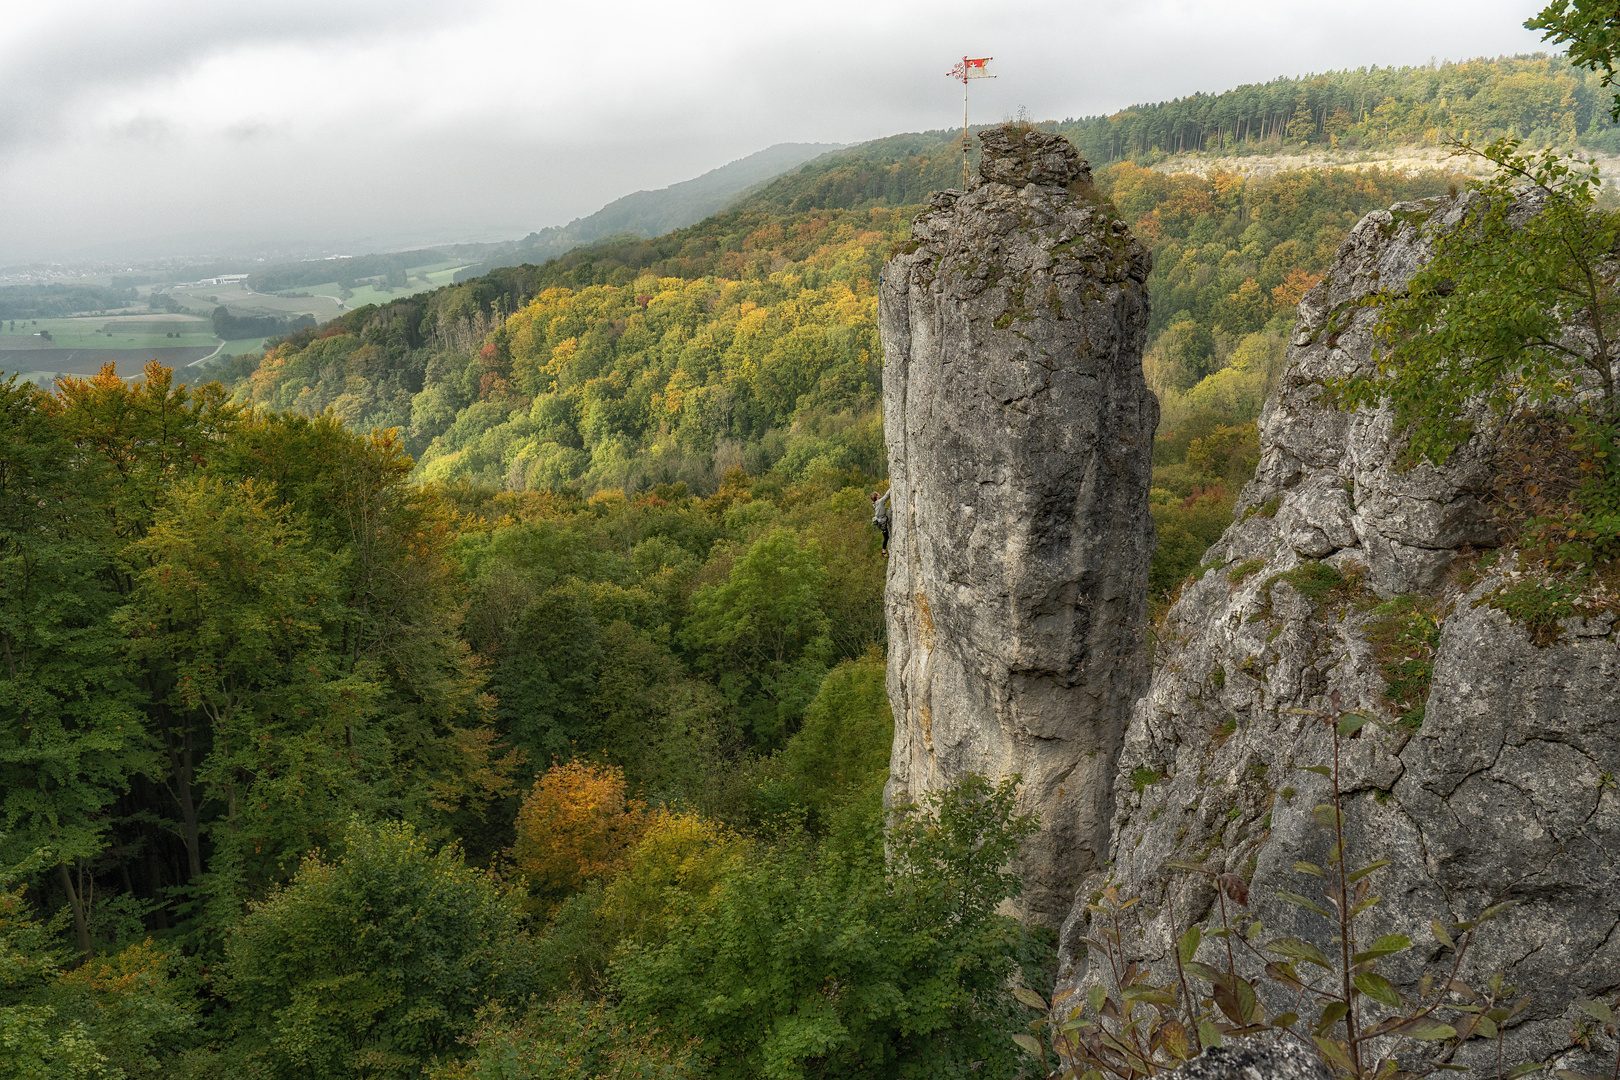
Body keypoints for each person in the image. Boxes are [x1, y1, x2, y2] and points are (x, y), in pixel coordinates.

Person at [870, 489, 890, 557]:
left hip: (880, 521)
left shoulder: (876, 503)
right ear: (877, 497)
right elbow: (887, 496)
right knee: (886, 537)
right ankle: (883, 551)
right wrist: (891, 488)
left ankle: (884, 550)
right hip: (882, 522)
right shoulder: (880, 501)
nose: (879, 494)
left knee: (885, 536)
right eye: (878, 494)